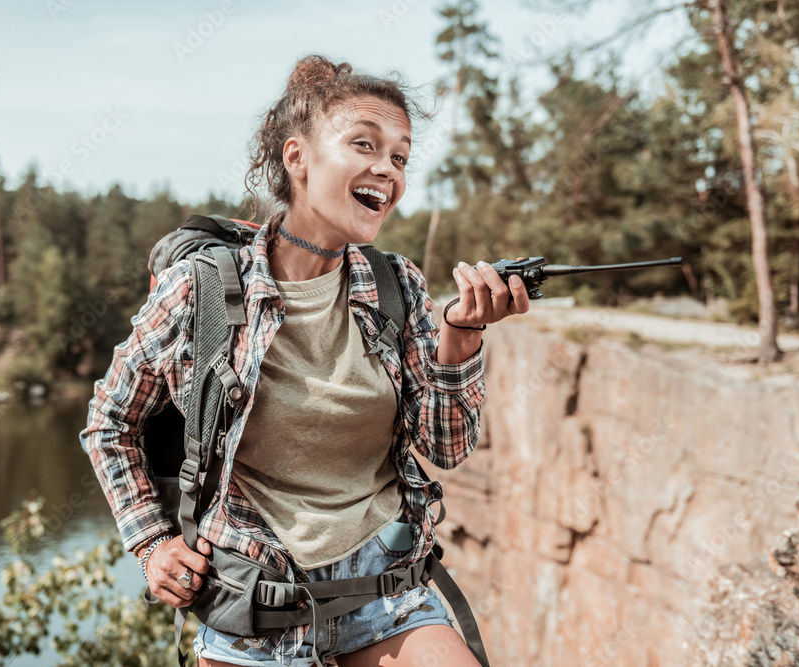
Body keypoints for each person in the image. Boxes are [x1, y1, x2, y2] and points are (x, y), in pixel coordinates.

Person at [80, 54, 530, 667]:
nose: (386, 170)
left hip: (387, 589)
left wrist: (462, 335)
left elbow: (446, 448)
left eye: (399, 156)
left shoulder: (396, 283)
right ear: (297, 158)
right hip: (256, 608)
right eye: (364, 145)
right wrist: (152, 542)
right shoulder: (203, 288)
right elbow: (110, 422)